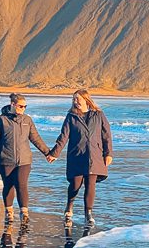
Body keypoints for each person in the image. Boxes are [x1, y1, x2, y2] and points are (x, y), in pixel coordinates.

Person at [48, 89, 113, 230]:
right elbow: (63, 137)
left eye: (78, 99)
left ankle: (88, 214)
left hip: (95, 156)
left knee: (91, 184)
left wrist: (108, 154)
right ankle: (69, 204)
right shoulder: (71, 116)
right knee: (75, 185)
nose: (75, 102)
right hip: (76, 155)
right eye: (74, 99)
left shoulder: (99, 115)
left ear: (86, 100)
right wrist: (55, 153)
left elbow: (106, 135)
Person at [0, 93, 51, 224]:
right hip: (5, 159)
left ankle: (24, 213)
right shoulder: (1, 120)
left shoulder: (27, 120)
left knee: (21, 184)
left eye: (25, 106)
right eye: (21, 106)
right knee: (8, 185)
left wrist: (47, 153)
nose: (23, 109)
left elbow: (35, 138)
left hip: (24, 160)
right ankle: (9, 212)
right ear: (13, 105)